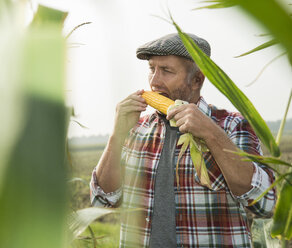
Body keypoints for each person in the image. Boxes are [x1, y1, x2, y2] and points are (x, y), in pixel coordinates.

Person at [90, 33, 276, 247]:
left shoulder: (232, 126)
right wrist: (117, 135)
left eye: (166, 71)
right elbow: (102, 201)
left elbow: (265, 204)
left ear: (197, 80)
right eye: (152, 69)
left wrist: (211, 134)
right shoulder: (136, 129)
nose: (154, 81)